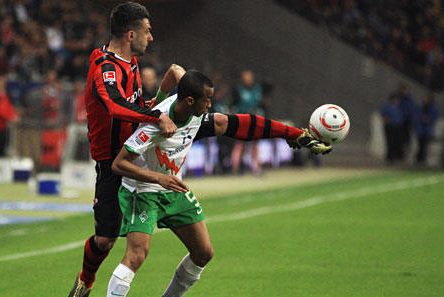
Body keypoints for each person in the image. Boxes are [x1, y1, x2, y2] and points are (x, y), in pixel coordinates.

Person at [106, 70, 332, 297]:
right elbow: (119, 164)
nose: (211, 104)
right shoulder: (155, 125)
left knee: (203, 253)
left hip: (173, 188)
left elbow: (176, 70)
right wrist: (160, 178)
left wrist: (292, 134)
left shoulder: (191, 107)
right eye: (208, 99)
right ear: (191, 100)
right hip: (143, 190)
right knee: (137, 255)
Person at [68, 2, 178, 296]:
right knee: (104, 240)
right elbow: (116, 106)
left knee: (142, 244)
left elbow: (134, 106)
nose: (150, 38)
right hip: (112, 163)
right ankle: (84, 284)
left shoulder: (130, 64)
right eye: (147, 31)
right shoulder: (105, 66)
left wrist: (156, 107)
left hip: (137, 158)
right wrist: (156, 116)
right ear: (131, 34)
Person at [231, 69, 264, 175]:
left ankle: (257, 169)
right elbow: (233, 104)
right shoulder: (238, 90)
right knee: (240, 144)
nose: (248, 79)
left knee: (255, 145)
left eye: (249, 77)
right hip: (242, 121)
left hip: (255, 121)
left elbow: (261, 104)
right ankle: (235, 169)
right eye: (246, 77)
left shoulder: (257, 90)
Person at [414, 93, 439, 164]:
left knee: (425, 145)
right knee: (420, 145)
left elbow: (435, 116)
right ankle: (419, 159)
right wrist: (422, 119)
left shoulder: (433, 108)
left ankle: (423, 159)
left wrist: (429, 119)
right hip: (420, 129)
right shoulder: (421, 107)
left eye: (427, 98)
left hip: (427, 129)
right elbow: (417, 116)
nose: (425, 100)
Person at [380, 93, 404, 163]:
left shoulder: (398, 107)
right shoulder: (387, 106)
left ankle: (396, 156)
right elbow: (383, 115)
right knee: (390, 142)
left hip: (397, 126)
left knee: (397, 142)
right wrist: (387, 120)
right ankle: (390, 157)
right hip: (390, 126)